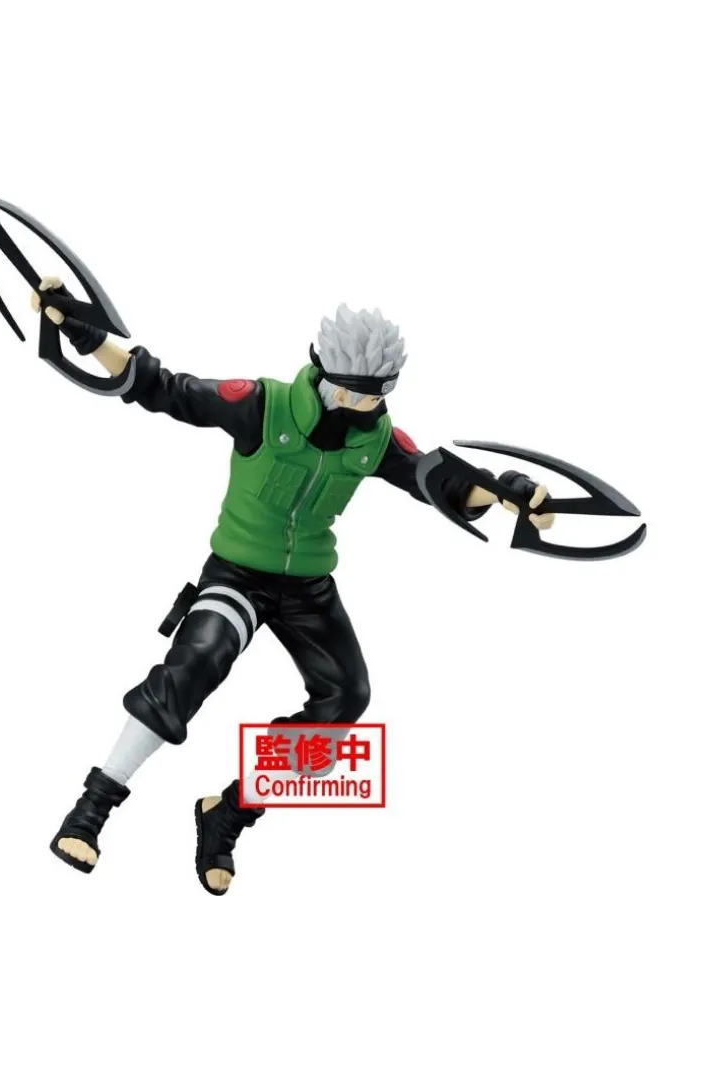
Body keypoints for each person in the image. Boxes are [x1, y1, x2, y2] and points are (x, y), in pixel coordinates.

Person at [33, 278, 554, 895]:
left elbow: (434, 480)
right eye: (356, 393)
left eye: (379, 395)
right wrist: (82, 331)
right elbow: (163, 387)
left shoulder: (375, 437)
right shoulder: (263, 405)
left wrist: (504, 494)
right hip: (238, 574)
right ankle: (93, 807)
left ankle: (229, 812)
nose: (366, 407)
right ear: (325, 374)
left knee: (345, 699)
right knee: (195, 663)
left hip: (309, 586)